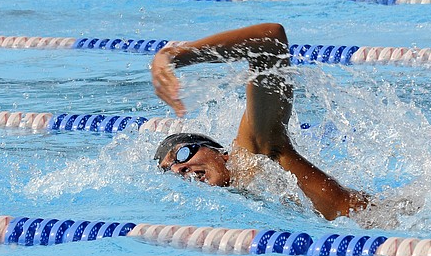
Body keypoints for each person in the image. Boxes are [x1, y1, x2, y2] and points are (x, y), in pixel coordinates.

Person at [150, 22, 371, 221]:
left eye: (181, 154)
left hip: (384, 223)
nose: (178, 168)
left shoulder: (251, 155)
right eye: (170, 170)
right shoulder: (241, 199)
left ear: (220, 152)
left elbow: (270, 41)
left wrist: (174, 55)